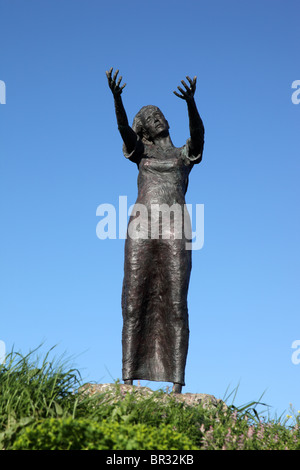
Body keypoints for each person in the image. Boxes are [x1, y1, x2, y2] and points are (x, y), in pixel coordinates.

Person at [106, 68, 205, 393]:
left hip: (176, 224)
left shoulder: (183, 155)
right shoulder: (141, 153)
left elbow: (199, 135)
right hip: (142, 225)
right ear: (144, 130)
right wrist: (117, 97)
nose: (157, 118)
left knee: (176, 301)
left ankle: (177, 385)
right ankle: (128, 380)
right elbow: (123, 129)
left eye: (160, 114)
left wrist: (191, 103)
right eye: (150, 117)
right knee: (133, 299)